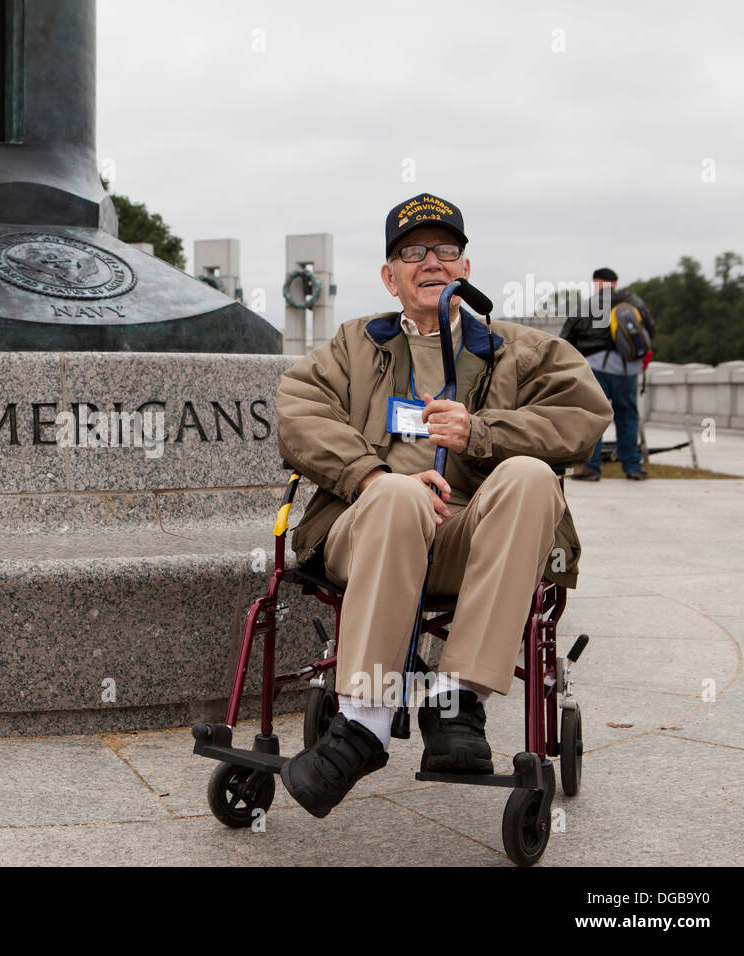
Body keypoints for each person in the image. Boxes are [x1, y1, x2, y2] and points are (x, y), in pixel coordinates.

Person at [274, 193, 612, 818]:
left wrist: (483, 431)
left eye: (445, 250)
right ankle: (366, 722)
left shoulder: (522, 350)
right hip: (367, 527)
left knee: (532, 477)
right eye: (411, 253)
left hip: (469, 541)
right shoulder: (353, 344)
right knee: (399, 493)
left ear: (465, 267)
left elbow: (584, 415)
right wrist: (370, 475)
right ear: (389, 276)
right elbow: (298, 412)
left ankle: (456, 697)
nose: (430, 262)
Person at [560, 268, 656, 480]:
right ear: (615, 283)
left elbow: (566, 337)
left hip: (596, 368)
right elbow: (651, 329)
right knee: (628, 416)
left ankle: (592, 468)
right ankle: (632, 467)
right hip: (627, 368)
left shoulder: (588, 305)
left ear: (596, 282)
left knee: (595, 416)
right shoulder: (633, 302)